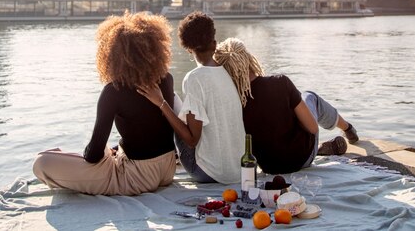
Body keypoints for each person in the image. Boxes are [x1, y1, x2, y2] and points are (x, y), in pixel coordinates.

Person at [33, 12, 176, 195]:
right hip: (167, 169)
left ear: (111, 55)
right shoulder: (166, 79)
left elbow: (93, 156)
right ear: (155, 48)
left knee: (42, 162)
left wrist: (94, 153)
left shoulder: (113, 91)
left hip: (137, 179)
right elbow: (157, 131)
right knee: (108, 151)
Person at [214, 37, 359, 175]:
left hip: (269, 166)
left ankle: (323, 148)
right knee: (309, 97)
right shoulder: (280, 82)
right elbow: (313, 128)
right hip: (301, 159)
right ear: (248, 57)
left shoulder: (232, 102)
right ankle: (348, 128)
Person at [138, 11, 245, 184]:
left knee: (171, 106)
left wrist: (161, 103)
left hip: (210, 173)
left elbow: (192, 140)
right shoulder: (227, 72)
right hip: (237, 171)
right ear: (214, 44)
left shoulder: (194, 78)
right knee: (179, 106)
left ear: (188, 49)